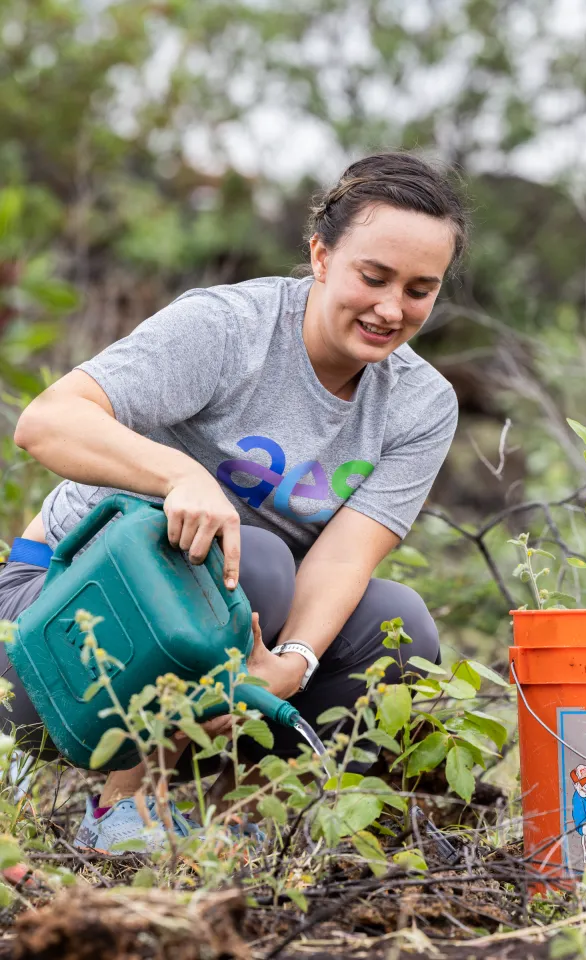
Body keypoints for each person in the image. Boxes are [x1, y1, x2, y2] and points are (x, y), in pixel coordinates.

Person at [0, 152, 469, 851]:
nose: (390, 308)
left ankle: (243, 825)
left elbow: (348, 555)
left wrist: (295, 663)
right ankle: (124, 811)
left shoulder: (422, 403)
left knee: (399, 626)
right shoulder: (229, 329)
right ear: (320, 255)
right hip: (47, 631)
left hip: (218, 642)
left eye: (419, 290)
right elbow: (45, 422)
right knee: (252, 561)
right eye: (373, 277)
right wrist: (178, 476)